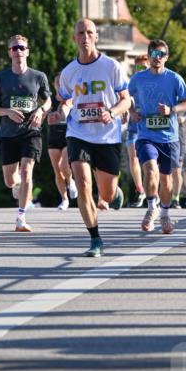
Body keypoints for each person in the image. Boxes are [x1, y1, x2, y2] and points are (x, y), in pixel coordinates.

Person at [53, 18, 128, 257]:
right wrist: (62, 112)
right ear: (74, 38)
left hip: (107, 136)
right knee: (83, 184)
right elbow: (66, 100)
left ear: (96, 37)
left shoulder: (111, 66)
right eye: (80, 33)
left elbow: (126, 100)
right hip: (78, 133)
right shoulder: (68, 72)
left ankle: (114, 193)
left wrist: (112, 112)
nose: (85, 37)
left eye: (89, 32)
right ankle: (95, 239)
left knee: (106, 194)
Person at [127, 38, 186, 235]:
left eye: (161, 54)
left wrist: (171, 110)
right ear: (148, 56)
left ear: (167, 57)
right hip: (146, 135)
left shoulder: (174, 78)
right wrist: (132, 111)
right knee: (150, 169)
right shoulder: (138, 79)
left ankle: (164, 213)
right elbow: (125, 97)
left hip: (169, 137)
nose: (157, 58)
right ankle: (151, 208)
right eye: (154, 54)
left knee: (166, 179)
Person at [0, 34, 51, 233]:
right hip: (7, 133)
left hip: (31, 131)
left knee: (27, 170)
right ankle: (17, 186)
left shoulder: (38, 76)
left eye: (22, 47)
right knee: (10, 180)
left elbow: (48, 101)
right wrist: (7, 111)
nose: (18, 51)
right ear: (9, 53)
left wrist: (41, 110)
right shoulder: (1, 78)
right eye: (14, 48)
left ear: (27, 51)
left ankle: (21, 217)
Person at [47, 74, 78, 211]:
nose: (60, 85)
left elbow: (71, 113)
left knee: (64, 166)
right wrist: (48, 117)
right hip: (53, 136)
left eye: (62, 82)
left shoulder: (71, 98)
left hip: (67, 135)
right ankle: (64, 199)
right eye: (57, 82)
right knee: (57, 170)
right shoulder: (50, 100)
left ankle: (70, 181)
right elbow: (46, 115)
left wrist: (62, 113)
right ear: (54, 85)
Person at [125, 54, 149, 208]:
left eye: (143, 67)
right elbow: (125, 99)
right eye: (137, 67)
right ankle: (140, 189)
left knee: (149, 160)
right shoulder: (133, 81)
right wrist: (130, 112)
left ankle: (151, 190)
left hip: (149, 125)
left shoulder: (155, 82)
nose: (140, 70)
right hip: (134, 124)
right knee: (132, 156)